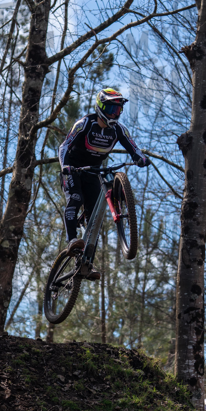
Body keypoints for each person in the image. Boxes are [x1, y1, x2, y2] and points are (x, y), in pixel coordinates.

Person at [58, 88, 150, 279]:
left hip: (93, 172)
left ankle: (86, 264)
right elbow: (64, 146)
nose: (114, 115)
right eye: (110, 109)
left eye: (117, 111)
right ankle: (72, 239)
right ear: (100, 108)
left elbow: (133, 147)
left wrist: (140, 158)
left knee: (95, 219)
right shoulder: (84, 123)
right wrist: (65, 165)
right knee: (75, 198)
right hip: (73, 169)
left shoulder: (118, 130)